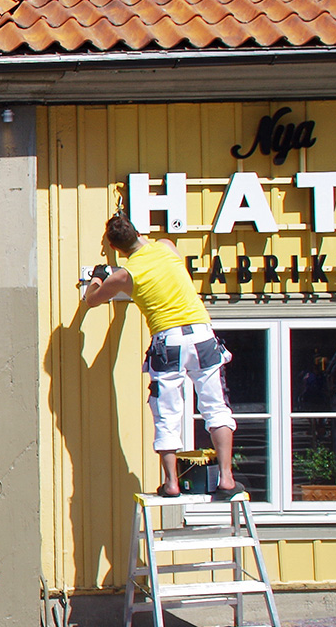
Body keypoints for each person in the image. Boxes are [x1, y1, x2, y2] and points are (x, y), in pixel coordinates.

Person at [84, 212, 241, 500]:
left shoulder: (124, 275)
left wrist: (98, 276)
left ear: (117, 249)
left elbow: (92, 300)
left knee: (167, 412)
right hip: (202, 334)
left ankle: (171, 483)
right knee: (216, 407)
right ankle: (227, 479)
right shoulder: (167, 246)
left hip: (168, 341)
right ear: (138, 233)